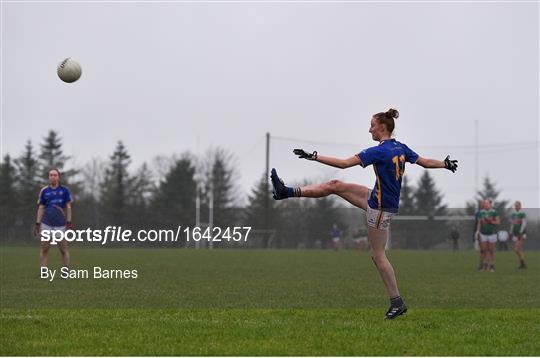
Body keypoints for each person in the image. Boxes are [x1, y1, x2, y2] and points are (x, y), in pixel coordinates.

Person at [270, 108, 458, 319]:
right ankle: (286, 192)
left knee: (378, 256)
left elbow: (343, 164)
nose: (369, 129)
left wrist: (315, 156)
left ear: (382, 127)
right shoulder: (400, 147)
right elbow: (424, 162)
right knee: (335, 185)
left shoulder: (378, 151)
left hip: (379, 207)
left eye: (372, 125)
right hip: (377, 199)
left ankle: (397, 303)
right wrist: (445, 164)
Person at [34, 168, 74, 270]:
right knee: (44, 249)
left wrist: (69, 222)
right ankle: (43, 271)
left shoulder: (64, 190)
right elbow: (41, 207)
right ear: (48, 177)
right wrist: (38, 223)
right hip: (46, 223)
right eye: (51, 175)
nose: (53, 177)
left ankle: (65, 271)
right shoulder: (44, 191)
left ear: (58, 177)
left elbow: (68, 207)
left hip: (60, 224)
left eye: (55, 175)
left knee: (63, 250)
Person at [475, 199, 499, 272]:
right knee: (484, 250)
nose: (486, 205)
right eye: (485, 204)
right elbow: (479, 223)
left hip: (492, 233)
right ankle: (485, 265)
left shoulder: (494, 212)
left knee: (491, 250)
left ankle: (492, 265)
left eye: (487, 203)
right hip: (483, 233)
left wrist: (491, 221)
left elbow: (498, 222)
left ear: (490, 204)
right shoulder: (481, 212)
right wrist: (477, 231)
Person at [509, 200, 527, 269]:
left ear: (520, 206)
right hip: (515, 233)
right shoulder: (513, 214)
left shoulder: (522, 213)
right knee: (518, 250)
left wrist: (521, 232)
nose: (516, 207)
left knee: (516, 249)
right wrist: (510, 232)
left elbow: (524, 223)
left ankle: (523, 263)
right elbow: (512, 224)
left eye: (517, 205)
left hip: (521, 234)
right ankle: (522, 264)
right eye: (515, 205)